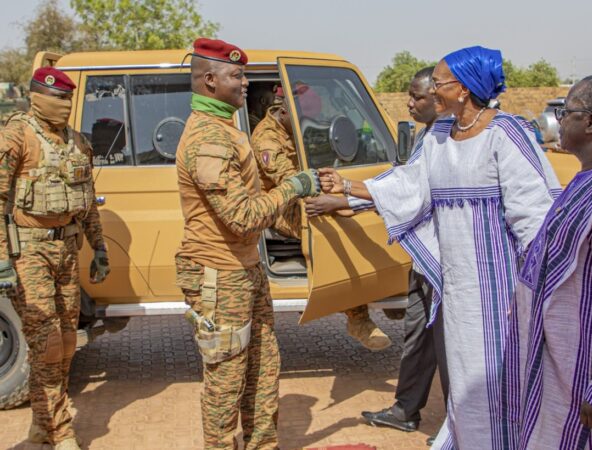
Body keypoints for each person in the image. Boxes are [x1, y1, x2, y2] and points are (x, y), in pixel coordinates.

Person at [320, 46, 562, 449]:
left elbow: (534, 216)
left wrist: (534, 288)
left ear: (463, 90)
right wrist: (347, 189)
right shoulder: (437, 136)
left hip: (501, 290)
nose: (432, 88)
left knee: (499, 376)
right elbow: (408, 185)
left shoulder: (506, 134)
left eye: (439, 82)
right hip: (458, 289)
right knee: (466, 377)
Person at [174, 38, 318, 450]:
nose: (245, 82)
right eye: (237, 75)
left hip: (244, 270)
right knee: (226, 381)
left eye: (243, 74)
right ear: (209, 80)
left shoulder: (224, 130)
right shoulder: (210, 139)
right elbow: (241, 217)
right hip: (220, 275)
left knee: (262, 368)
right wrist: (293, 187)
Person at [307, 67, 449, 442]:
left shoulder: (449, 138)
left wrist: (347, 189)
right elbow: (400, 184)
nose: (409, 103)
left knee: (449, 344)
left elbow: (409, 188)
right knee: (419, 334)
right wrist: (346, 200)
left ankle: (459, 426)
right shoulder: (428, 136)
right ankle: (406, 410)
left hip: (447, 260)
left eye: (416, 97)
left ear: (440, 97)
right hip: (426, 259)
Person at [513, 74, 592, 449]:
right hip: (560, 372)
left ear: (590, 122)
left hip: (586, 382)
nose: (558, 120)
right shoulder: (589, 179)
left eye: (565, 112)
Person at [0, 67, 109, 450]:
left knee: (64, 343)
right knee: (46, 344)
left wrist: (99, 247)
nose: (65, 105)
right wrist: (1, 260)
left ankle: (40, 429)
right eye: (58, 98)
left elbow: (88, 203)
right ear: (36, 96)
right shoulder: (17, 135)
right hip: (28, 252)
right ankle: (61, 432)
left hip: (66, 249)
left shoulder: (77, 142)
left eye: (68, 98)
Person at [249, 82, 392, 351]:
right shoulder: (266, 139)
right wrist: (334, 203)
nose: (309, 124)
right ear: (284, 112)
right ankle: (358, 319)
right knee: (328, 223)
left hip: (306, 190)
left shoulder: (296, 125)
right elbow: (291, 182)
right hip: (279, 204)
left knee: (345, 209)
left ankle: (385, 290)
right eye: (304, 119)